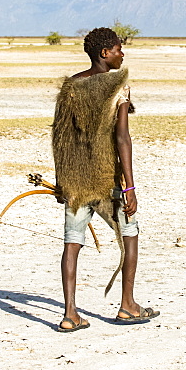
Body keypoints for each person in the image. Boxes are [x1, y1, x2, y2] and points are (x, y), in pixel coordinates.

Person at [51, 27, 159, 333]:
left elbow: (60, 137)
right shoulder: (118, 86)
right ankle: (127, 304)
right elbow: (122, 137)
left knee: (72, 243)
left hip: (75, 179)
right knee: (130, 234)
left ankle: (70, 313)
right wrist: (130, 186)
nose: (122, 54)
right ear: (104, 53)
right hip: (106, 178)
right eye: (118, 49)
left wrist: (62, 180)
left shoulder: (71, 86)